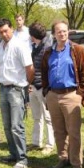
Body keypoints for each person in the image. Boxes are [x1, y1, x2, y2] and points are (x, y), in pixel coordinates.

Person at [41, 21, 84, 168]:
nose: (62, 34)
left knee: (74, 132)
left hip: (71, 95)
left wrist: (80, 93)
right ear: (54, 34)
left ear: (68, 32)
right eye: (58, 32)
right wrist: (46, 91)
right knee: (58, 131)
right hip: (53, 95)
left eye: (64, 31)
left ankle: (76, 164)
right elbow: (44, 72)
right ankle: (63, 158)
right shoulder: (49, 52)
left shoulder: (78, 50)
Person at [0, 18, 34, 168]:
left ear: (11, 28)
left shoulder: (20, 45)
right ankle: (13, 153)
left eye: (6, 30)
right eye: (1, 32)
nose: (4, 34)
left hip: (17, 89)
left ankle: (22, 158)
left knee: (16, 125)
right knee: (6, 125)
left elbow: (30, 68)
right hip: (4, 88)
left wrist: (26, 85)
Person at [28, 22, 54, 155]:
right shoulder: (34, 47)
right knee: (36, 116)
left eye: (30, 35)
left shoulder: (48, 48)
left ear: (33, 35)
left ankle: (50, 144)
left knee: (48, 117)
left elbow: (48, 69)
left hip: (44, 87)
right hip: (33, 85)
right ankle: (36, 142)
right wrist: (30, 83)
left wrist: (46, 87)